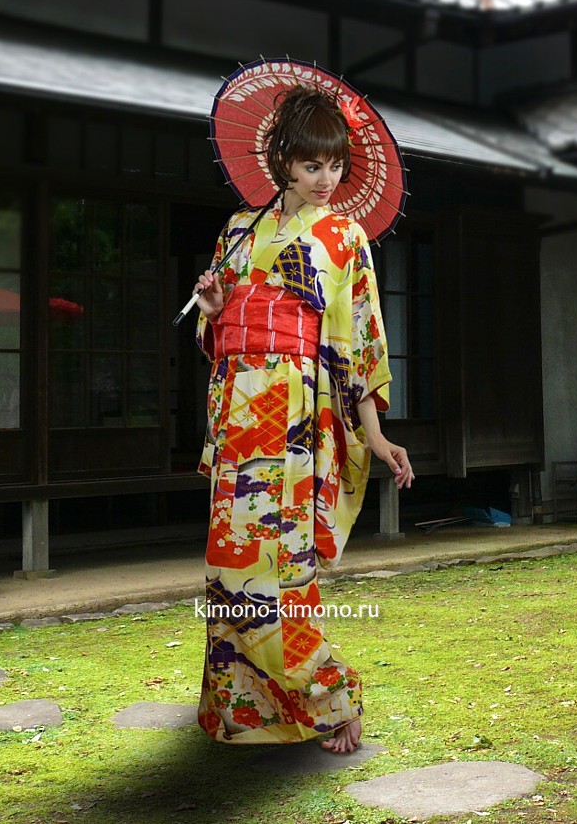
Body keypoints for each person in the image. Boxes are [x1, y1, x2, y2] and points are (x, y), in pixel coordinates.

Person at [193, 84, 413, 753]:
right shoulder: (238, 229)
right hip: (237, 407)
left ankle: (332, 698)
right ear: (281, 160)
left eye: (335, 166)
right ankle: (243, 706)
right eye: (313, 165)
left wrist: (372, 433)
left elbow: (361, 341)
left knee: (284, 571)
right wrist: (209, 302)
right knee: (230, 570)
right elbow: (216, 330)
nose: (327, 179)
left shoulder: (345, 237)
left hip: (296, 411)